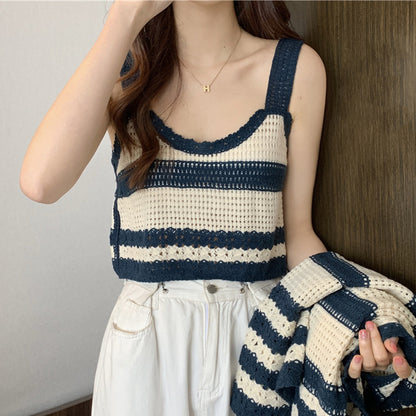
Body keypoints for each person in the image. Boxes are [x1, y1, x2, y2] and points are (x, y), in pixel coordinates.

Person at [19, 1, 412, 415]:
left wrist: (360, 323)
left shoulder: (295, 69)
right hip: (145, 350)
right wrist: (125, 17)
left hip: (259, 344)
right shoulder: (123, 74)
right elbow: (41, 183)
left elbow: (296, 237)